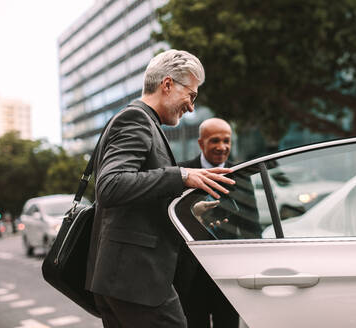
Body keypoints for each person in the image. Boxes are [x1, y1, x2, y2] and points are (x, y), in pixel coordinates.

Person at [85, 49, 235, 328]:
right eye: (191, 95)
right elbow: (110, 185)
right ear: (167, 85)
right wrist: (181, 175)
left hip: (123, 280)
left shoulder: (142, 121)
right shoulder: (137, 120)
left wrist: (187, 209)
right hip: (136, 281)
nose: (191, 107)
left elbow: (133, 199)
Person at [175, 118, 259, 328]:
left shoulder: (241, 174)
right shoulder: (181, 172)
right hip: (190, 277)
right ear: (201, 143)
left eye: (226, 141)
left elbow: (252, 227)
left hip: (227, 274)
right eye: (215, 141)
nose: (222, 147)